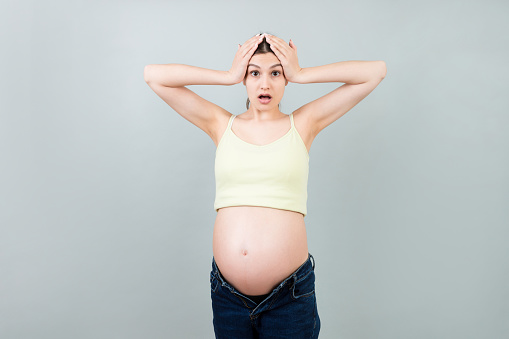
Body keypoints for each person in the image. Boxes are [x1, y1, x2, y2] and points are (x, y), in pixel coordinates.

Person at [144, 33, 386, 338]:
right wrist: (227, 75)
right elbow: (153, 76)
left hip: (289, 299)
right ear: (245, 79)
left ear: (285, 81)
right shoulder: (221, 124)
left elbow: (375, 71)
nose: (265, 84)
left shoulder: (303, 124)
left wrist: (303, 73)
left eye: (276, 73)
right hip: (228, 298)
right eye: (254, 73)